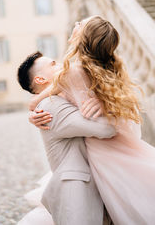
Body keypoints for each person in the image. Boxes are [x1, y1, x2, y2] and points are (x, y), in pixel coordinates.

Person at [29, 15, 155, 225]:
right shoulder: (110, 69)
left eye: (81, 24)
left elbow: (36, 101)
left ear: (84, 38)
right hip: (124, 146)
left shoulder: (71, 72)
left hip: (102, 152)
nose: (76, 24)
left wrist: (33, 113)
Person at [17, 52, 115, 225]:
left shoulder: (60, 97)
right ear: (40, 80)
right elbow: (106, 129)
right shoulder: (50, 106)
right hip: (77, 191)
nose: (62, 64)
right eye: (53, 64)